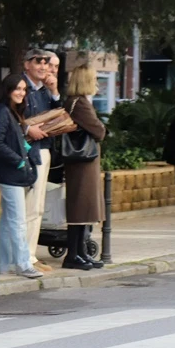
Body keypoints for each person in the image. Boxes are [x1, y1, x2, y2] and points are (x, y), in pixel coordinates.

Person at [0, 74, 43, 279]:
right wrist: (18, 159)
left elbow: (8, 140)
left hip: (10, 173)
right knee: (18, 221)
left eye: (24, 89)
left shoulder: (10, 112)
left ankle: (5, 264)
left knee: (7, 221)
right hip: (10, 174)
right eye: (17, 89)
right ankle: (23, 264)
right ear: (8, 90)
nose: (21, 92)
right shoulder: (4, 112)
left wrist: (23, 149)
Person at [61, 64, 107, 269]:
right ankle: (73, 254)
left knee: (85, 208)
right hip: (82, 162)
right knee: (80, 207)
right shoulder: (79, 103)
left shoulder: (78, 101)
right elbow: (99, 130)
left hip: (84, 162)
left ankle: (80, 252)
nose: (96, 82)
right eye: (94, 78)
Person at [21, 49, 57, 272]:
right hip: (23, 151)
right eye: (38, 62)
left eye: (46, 63)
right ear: (27, 64)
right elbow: (5, 115)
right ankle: (23, 255)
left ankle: (30, 254)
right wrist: (27, 128)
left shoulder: (44, 91)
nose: (43, 67)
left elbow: (57, 113)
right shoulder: (19, 87)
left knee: (37, 206)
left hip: (42, 149)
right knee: (25, 206)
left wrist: (54, 91)